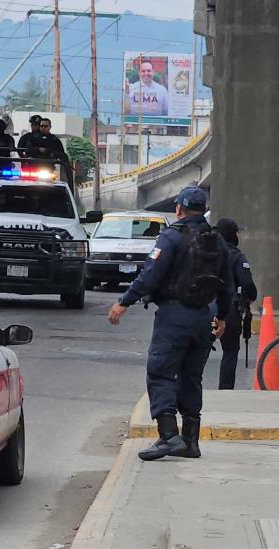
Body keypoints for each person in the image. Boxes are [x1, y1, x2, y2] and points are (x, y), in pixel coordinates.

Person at [107, 187, 232, 461]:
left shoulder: (172, 237)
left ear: (179, 208)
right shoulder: (217, 241)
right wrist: (222, 316)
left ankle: (168, 437)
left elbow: (150, 275)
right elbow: (227, 285)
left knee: (161, 372)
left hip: (174, 316)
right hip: (203, 318)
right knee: (191, 377)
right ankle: (190, 441)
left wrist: (124, 302)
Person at [215, 218, 257, 390]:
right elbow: (247, 285)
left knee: (197, 352)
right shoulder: (236, 256)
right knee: (230, 351)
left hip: (202, 309)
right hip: (229, 311)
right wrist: (250, 298)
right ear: (233, 235)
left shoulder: (207, 253)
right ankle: (225, 391)